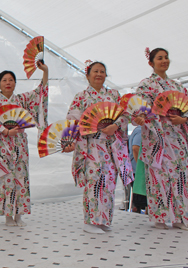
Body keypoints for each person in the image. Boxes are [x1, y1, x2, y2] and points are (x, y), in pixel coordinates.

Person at [64, 61, 133, 234]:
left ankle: (104, 220)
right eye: (95, 71)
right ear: (87, 75)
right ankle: (90, 221)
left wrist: (116, 125)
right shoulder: (81, 97)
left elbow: (125, 115)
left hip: (111, 146)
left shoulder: (115, 95)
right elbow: (72, 120)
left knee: (109, 182)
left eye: (102, 71)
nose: (99, 74)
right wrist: (70, 139)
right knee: (93, 181)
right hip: (90, 146)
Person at [0, 63, 49, 227]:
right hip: (2, 146)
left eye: (11, 80)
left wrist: (45, 72)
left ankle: (19, 214)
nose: (8, 83)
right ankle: (7, 215)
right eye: (4, 80)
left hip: (19, 145)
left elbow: (39, 93)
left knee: (20, 178)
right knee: (5, 179)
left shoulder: (21, 100)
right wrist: (5, 131)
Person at [133, 48, 188, 230]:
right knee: (159, 177)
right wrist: (142, 116)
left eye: (166, 57)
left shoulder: (178, 86)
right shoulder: (146, 85)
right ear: (151, 63)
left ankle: (181, 217)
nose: (164, 61)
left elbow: (185, 108)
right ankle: (160, 217)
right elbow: (138, 108)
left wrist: (183, 119)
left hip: (177, 138)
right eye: (159, 58)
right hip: (157, 138)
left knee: (180, 176)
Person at [128, 126, 147, 212]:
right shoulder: (141, 130)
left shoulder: (139, 129)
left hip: (136, 170)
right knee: (141, 200)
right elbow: (135, 148)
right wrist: (139, 165)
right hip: (137, 170)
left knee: (140, 200)